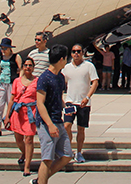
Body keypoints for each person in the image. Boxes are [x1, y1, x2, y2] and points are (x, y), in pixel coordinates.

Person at [34, 44, 72, 184]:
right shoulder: (44, 78)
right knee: (47, 159)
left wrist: (66, 107)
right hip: (46, 123)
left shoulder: (60, 77)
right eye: (66, 58)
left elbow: (58, 97)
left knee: (67, 155)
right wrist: (49, 124)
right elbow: (40, 103)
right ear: (61, 59)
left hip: (58, 121)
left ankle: (40, 180)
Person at [62, 44, 98, 164]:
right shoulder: (66, 68)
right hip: (70, 102)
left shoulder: (89, 66)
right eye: (73, 51)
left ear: (82, 52)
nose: (76, 53)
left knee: (81, 129)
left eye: (78, 51)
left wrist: (87, 97)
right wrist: (62, 99)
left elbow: (95, 82)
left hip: (83, 103)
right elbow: (62, 83)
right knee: (66, 125)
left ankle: (79, 152)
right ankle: (68, 150)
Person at [9, 58, 39, 176]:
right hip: (18, 112)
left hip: (31, 111)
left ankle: (27, 166)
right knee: (18, 139)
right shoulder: (17, 81)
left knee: (29, 139)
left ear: (33, 67)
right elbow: (12, 99)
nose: (28, 67)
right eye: (26, 65)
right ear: (22, 67)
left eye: (30, 65)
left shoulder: (37, 81)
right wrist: (7, 116)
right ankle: (24, 153)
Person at [0, 38, 21, 136]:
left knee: (11, 104)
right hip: (2, 83)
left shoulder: (15, 57)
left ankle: (13, 123)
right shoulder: (0, 58)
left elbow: (20, 69)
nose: (3, 51)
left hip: (12, 83)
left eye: (5, 48)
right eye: (2, 48)